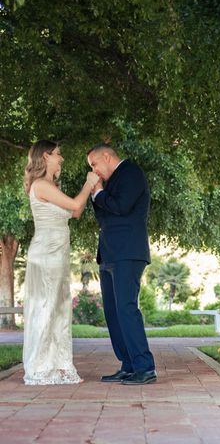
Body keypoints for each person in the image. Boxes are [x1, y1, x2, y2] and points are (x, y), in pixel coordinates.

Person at [22, 140, 100, 385]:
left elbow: (74, 212)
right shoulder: (41, 185)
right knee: (45, 308)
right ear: (45, 157)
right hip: (46, 255)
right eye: (57, 154)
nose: (61, 158)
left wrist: (87, 189)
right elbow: (77, 204)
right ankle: (40, 366)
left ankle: (58, 364)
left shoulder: (50, 186)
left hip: (58, 255)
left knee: (59, 308)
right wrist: (89, 184)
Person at [87, 143, 156, 385]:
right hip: (108, 254)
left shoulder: (131, 173)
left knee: (126, 309)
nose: (94, 171)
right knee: (113, 313)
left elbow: (121, 207)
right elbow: (104, 216)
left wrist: (97, 192)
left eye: (94, 164)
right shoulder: (111, 183)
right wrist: (100, 195)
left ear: (106, 156)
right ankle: (128, 365)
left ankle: (145, 367)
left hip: (128, 252)